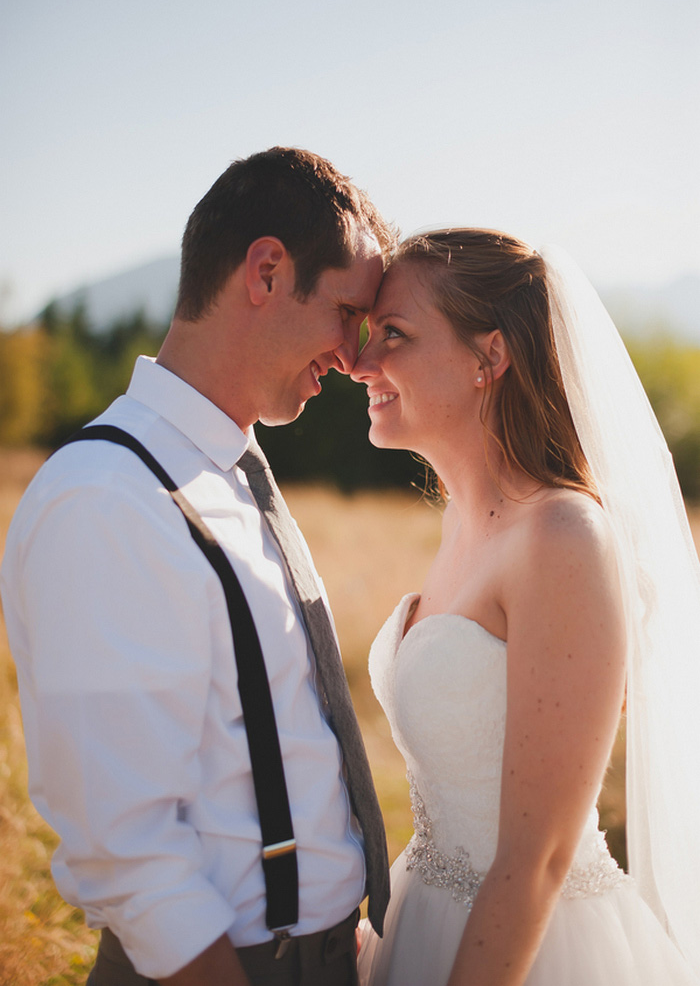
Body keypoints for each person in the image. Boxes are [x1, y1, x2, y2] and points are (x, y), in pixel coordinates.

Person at [0, 147, 395, 986]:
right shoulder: (108, 497)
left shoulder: (229, 464)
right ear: (265, 272)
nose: (358, 356)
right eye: (348, 312)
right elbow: (128, 852)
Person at [351, 228, 700, 985]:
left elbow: (538, 858)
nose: (360, 363)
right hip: (422, 918)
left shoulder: (564, 536)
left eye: (395, 335)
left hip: (536, 950)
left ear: (491, 357)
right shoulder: (462, 522)